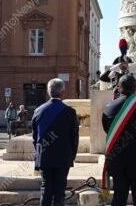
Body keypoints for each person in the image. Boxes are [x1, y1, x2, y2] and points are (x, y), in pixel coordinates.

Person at [102, 74, 136, 206]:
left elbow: (107, 130)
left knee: (119, 197)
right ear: (135, 89)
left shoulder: (110, 107)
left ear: (119, 88)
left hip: (118, 159)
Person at [32, 78, 79, 206]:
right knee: (59, 192)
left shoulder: (38, 111)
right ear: (63, 92)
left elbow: (35, 137)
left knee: (46, 190)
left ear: (48, 92)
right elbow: (74, 138)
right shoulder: (70, 112)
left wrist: (39, 153)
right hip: (63, 158)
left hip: (45, 157)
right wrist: (72, 156)